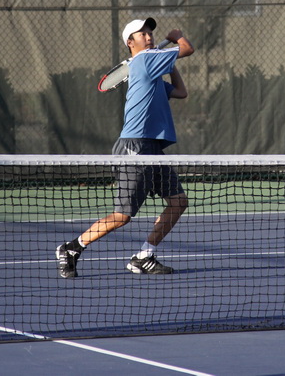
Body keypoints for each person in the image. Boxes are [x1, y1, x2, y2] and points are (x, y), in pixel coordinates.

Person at [56, 18, 195, 278]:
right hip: (135, 146)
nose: (149, 36)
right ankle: (71, 248)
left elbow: (180, 91)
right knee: (122, 216)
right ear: (130, 42)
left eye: (150, 32)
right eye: (142, 33)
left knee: (178, 202)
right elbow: (187, 48)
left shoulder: (151, 69)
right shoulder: (145, 61)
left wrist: (169, 62)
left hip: (152, 147)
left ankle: (143, 256)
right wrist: (176, 37)